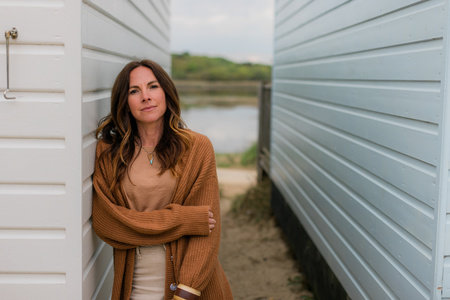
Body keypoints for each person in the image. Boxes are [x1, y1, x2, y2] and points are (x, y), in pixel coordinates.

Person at [92, 59, 233, 300]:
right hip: (135, 287)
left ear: (166, 92)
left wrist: (185, 291)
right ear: (124, 103)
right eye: (134, 91)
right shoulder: (108, 153)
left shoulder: (197, 147)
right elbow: (108, 224)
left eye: (153, 86)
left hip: (191, 289)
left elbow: (208, 230)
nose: (146, 96)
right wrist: (184, 219)